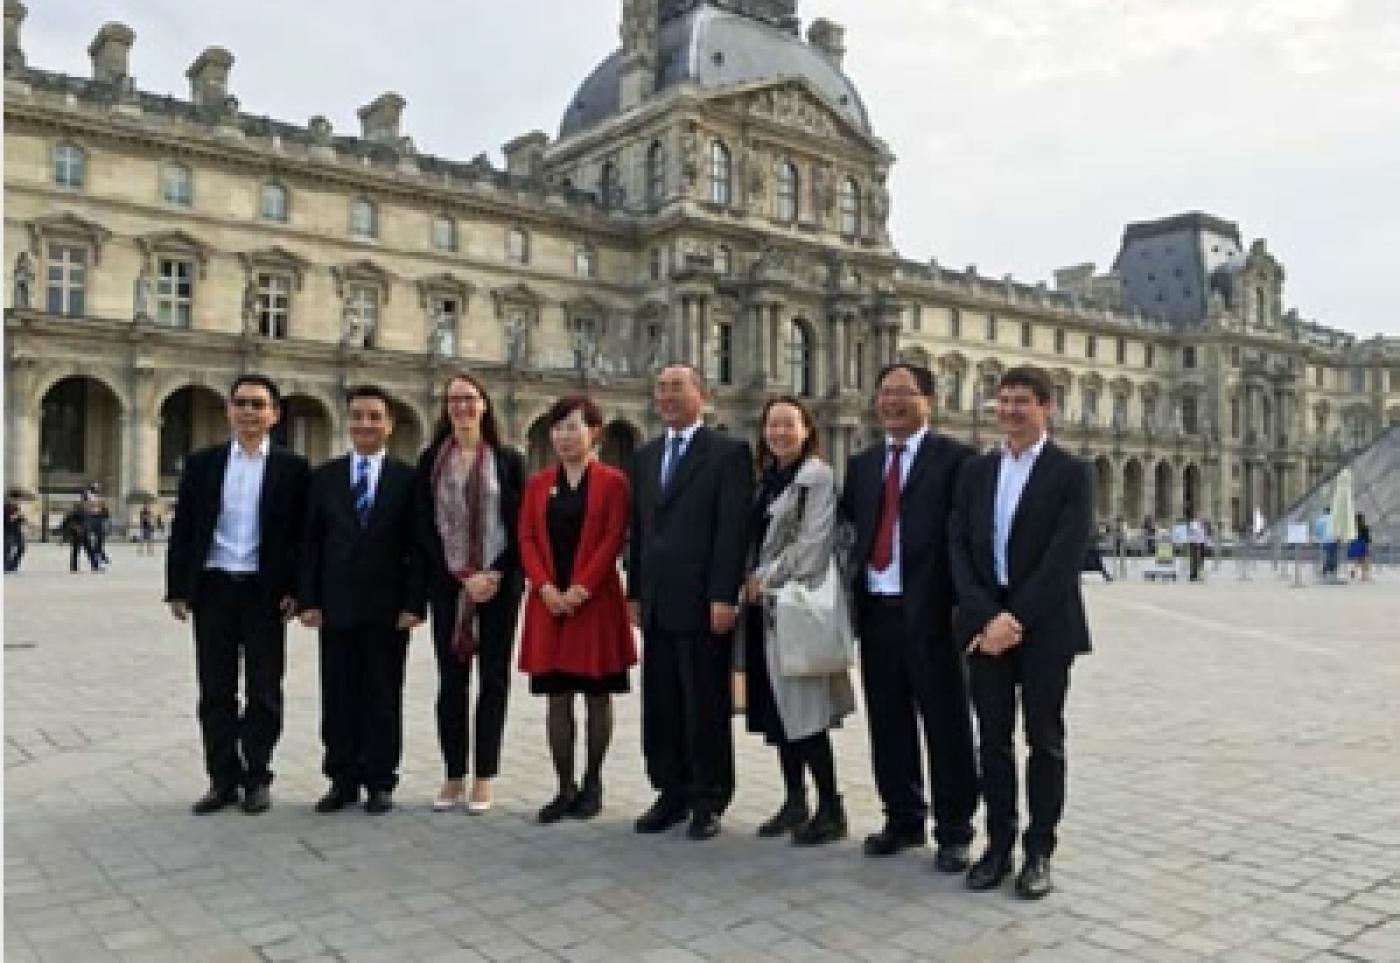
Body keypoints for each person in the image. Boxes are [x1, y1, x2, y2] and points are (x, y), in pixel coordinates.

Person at [949, 365, 1094, 900]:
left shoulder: (1071, 472)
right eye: (1003, 400)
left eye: (1022, 401)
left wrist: (1017, 619)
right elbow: (959, 546)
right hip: (986, 624)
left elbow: (1066, 554)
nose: (1010, 410)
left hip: (1044, 623)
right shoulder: (976, 471)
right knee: (992, 743)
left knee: (1044, 741)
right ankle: (998, 844)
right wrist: (987, 615)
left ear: (1046, 406)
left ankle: (1039, 850)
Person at [839, 362, 980, 870]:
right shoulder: (863, 464)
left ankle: (955, 828)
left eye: (903, 393)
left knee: (946, 723)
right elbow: (850, 533)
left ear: (928, 401)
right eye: (885, 392)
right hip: (878, 608)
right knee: (888, 719)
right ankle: (902, 816)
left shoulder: (957, 460)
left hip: (936, 612)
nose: (892, 402)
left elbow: (970, 540)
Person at [165, 374, 309, 815]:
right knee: (215, 691)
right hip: (214, 588)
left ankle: (257, 776)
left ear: (274, 415)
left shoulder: (292, 468)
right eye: (241, 403)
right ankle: (221, 778)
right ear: (228, 411)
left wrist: (297, 591)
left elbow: (302, 537)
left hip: (265, 594)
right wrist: (178, 589)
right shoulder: (203, 464)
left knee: (265, 690)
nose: (248, 412)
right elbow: (185, 530)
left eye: (258, 404)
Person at [628, 364, 753, 841]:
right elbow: (640, 531)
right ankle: (670, 790)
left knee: (704, 701)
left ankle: (709, 795)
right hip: (657, 599)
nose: (667, 397)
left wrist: (724, 595)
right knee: (660, 701)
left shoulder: (727, 453)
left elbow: (731, 531)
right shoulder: (646, 455)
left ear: (701, 394)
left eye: (677, 388)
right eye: (660, 388)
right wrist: (634, 591)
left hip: (704, 601)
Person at [298, 386, 425, 815]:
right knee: (337, 695)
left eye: (375, 416)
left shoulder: (408, 480)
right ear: (346, 421)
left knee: (383, 695)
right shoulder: (325, 477)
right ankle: (341, 778)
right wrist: (308, 600)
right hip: (335, 604)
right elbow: (310, 543)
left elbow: (418, 546)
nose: (365, 424)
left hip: (389, 608)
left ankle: (381, 779)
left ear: (390, 424)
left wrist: (414, 603)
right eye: (357, 416)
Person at [517, 396, 637, 824]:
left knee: (597, 696)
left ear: (594, 433)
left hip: (594, 603)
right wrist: (545, 586)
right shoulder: (537, 484)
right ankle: (563, 786)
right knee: (557, 696)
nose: (565, 436)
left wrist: (581, 588)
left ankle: (593, 781)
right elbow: (527, 538)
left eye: (574, 427)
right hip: (548, 603)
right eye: (558, 428)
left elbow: (612, 537)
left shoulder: (613, 482)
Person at [740, 396, 854, 846]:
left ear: (808, 430)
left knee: (805, 713)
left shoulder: (816, 478)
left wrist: (762, 579)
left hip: (791, 603)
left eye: (789, 424)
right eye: (772, 425)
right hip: (766, 607)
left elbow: (812, 547)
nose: (779, 432)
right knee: (779, 711)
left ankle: (831, 806)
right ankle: (794, 800)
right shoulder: (768, 479)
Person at [415, 372, 526, 814]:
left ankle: (485, 776)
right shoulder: (431, 460)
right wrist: (460, 575)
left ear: (485, 405)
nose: (461, 406)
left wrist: (494, 572)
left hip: (499, 583)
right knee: (451, 681)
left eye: (469, 398)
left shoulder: (507, 459)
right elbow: (422, 525)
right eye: (454, 399)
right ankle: (453, 774)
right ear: (446, 408)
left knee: (494, 679)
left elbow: (522, 525)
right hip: (449, 583)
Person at [63, 503, 102, 573]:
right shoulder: (83, 514)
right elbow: (87, 524)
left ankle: (75, 567)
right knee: (89, 551)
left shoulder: (76, 514)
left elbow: (65, 524)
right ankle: (95, 566)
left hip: (79, 535)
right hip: (82, 535)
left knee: (78, 552)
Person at [4, 493, 25, 573]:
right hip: (8, 532)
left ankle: (13, 565)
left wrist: (21, 518)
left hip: (16, 531)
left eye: (19, 500)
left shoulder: (16, 508)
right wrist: (15, 516)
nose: (18, 502)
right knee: (8, 549)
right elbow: (7, 520)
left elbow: (20, 519)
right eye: (16, 500)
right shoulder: (5, 508)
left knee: (21, 548)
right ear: (11, 499)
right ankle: (6, 566)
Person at [1348, 513, 1371, 582]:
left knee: (1357, 561)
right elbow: (1367, 539)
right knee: (1364, 561)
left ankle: (1353, 571)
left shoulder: (1352, 528)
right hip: (1362, 545)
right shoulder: (1365, 528)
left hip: (1354, 545)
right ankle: (1364, 577)